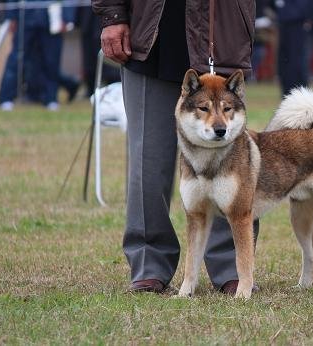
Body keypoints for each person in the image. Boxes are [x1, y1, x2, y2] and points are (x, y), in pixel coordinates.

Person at [92, 0, 259, 295]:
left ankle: (234, 268)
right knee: (148, 159)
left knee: (231, 162)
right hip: (150, 32)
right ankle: (149, 262)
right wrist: (113, 15)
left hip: (223, 30)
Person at [0, 0, 76, 111]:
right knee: (17, 59)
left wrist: (67, 18)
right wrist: (11, 16)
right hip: (25, 16)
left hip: (52, 17)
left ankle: (51, 99)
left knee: (51, 61)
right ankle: (6, 98)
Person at [274, 0, 313, 96]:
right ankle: (287, 91)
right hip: (284, 23)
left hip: (298, 24)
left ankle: (299, 91)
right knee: (284, 59)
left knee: (296, 60)